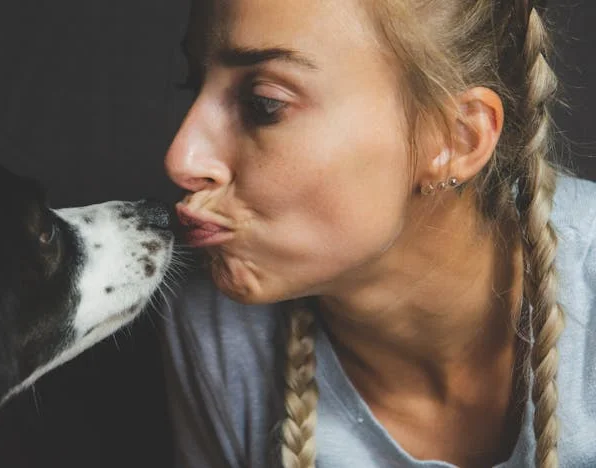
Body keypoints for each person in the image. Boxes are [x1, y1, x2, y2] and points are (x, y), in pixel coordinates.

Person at [157, 0, 596, 467]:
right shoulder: (216, 326)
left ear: (456, 138)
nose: (180, 158)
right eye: (194, 85)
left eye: (265, 104)